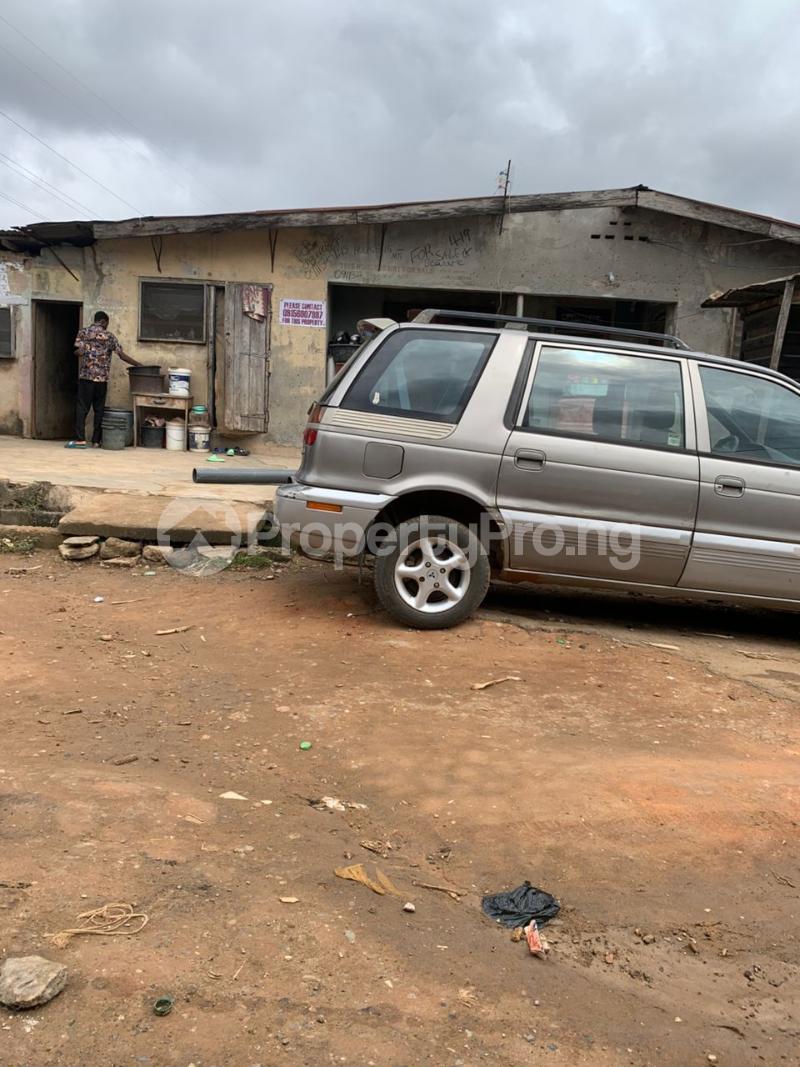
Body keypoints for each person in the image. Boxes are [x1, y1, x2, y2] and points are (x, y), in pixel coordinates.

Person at [66, 310, 140, 448]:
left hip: (86, 378)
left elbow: (77, 352)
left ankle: (80, 440)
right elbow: (122, 355)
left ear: (95, 320)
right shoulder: (109, 336)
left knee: (82, 408)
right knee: (99, 410)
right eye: (107, 323)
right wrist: (138, 365)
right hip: (101, 380)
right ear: (104, 321)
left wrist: (80, 352)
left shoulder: (83, 332)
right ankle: (96, 441)